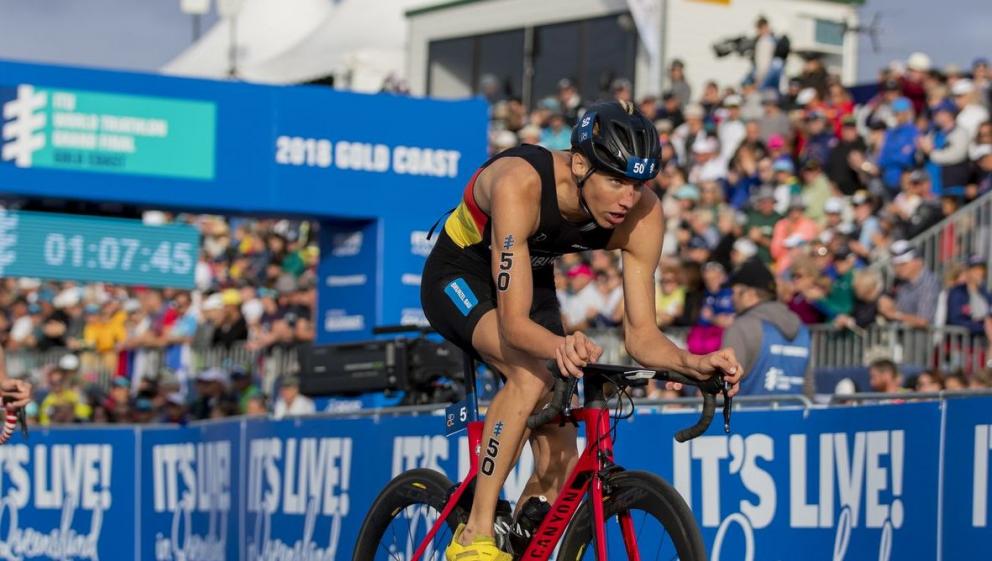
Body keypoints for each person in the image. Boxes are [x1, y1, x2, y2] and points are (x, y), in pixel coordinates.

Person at [420, 100, 743, 561]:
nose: (628, 199)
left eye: (637, 184)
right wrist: (560, 344)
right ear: (578, 165)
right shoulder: (520, 183)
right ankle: (475, 533)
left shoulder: (643, 215)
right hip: (460, 276)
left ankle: (520, 540)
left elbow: (642, 337)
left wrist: (692, 362)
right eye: (615, 181)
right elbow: (514, 325)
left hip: (532, 277)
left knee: (562, 458)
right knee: (532, 375)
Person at [724, 258, 810, 395]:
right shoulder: (802, 329)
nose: (731, 298)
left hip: (749, 408)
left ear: (750, 294)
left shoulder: (741, 327)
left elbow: (725, 384)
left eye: (734, 292)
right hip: (796, 408)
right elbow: (808, 388)